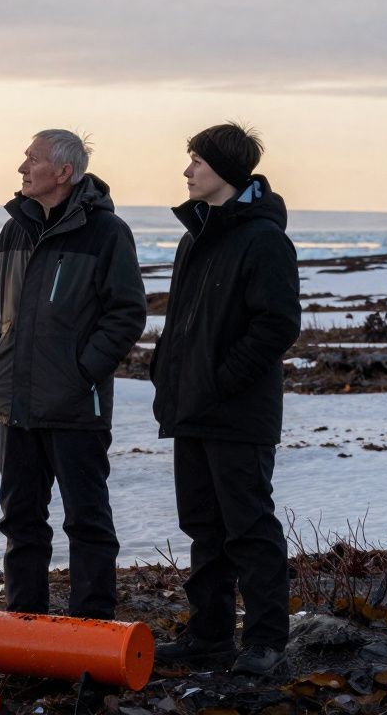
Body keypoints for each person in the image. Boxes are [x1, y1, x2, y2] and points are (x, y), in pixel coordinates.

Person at [149, 123, 301, 676]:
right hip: (191, 409)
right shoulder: (195, 237)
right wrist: (167, 377)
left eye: (197, 161)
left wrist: (220, 381)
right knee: (203, 528)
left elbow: (277, 324)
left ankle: (265, 641)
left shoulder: (263, 239)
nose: (187, 171)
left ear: (226, 171)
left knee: (249, 527)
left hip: (238, 412)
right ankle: (209, 635)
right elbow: (182, 324)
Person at [0, 129, 147, 620]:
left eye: (32, 159)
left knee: (87, 523)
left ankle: (91, 630)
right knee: (20, 523)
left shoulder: (106, 232)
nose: (22, 168)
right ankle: (24, 626)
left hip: (75, 406)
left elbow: (126, 314)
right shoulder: (15, 229)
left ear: (64, 172)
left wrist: (82, 372)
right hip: (16, 405)